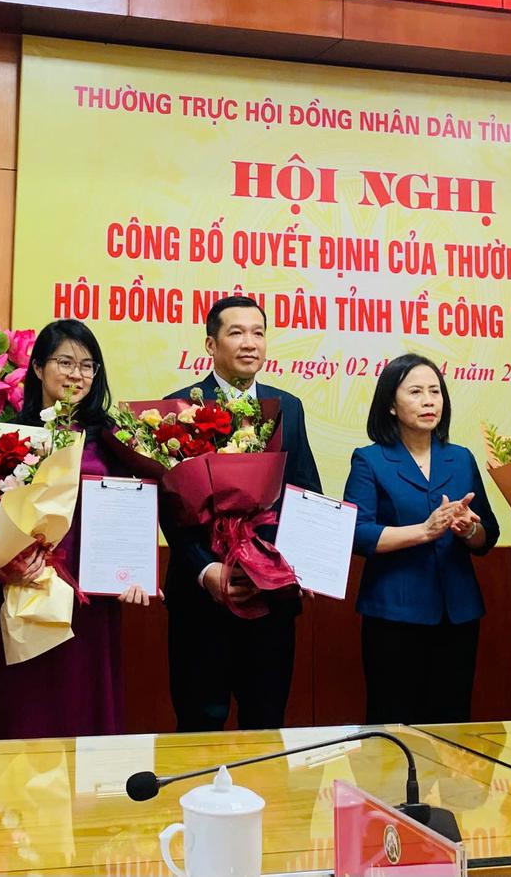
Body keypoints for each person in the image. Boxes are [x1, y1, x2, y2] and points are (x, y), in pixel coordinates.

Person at [0, 319, 157, 739]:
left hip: (89, 602)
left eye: (87, 365)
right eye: (65, 362)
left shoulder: (113, 440)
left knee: (83, 713)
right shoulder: (7, 437)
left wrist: (133, 573)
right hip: (25, 592)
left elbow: (134, 510)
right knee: (23, 715)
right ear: (38, 367)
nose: (77, 374)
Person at [163, 294, 322, 732]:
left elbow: (304, 490)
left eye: (258, 333)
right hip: (201, 600)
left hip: (270, 598)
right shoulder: (178, 408)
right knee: (198, 727)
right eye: (236, 333)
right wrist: (207, 570)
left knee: (266, 725)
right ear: (210, 345)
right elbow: (169, 506)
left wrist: (302, 564)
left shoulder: (288, 407)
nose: (250, 343)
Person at [345, 354, 499, 725]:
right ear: (391, 405)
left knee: (452, 725)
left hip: (458, 613)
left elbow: (488, 534)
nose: (429, 401)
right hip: (394, 614)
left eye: (435, 391)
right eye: (415, 392)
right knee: (393, 723)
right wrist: (425, 531)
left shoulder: (460, 458)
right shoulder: (370, 460)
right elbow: (358, 533)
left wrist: (469, 530)